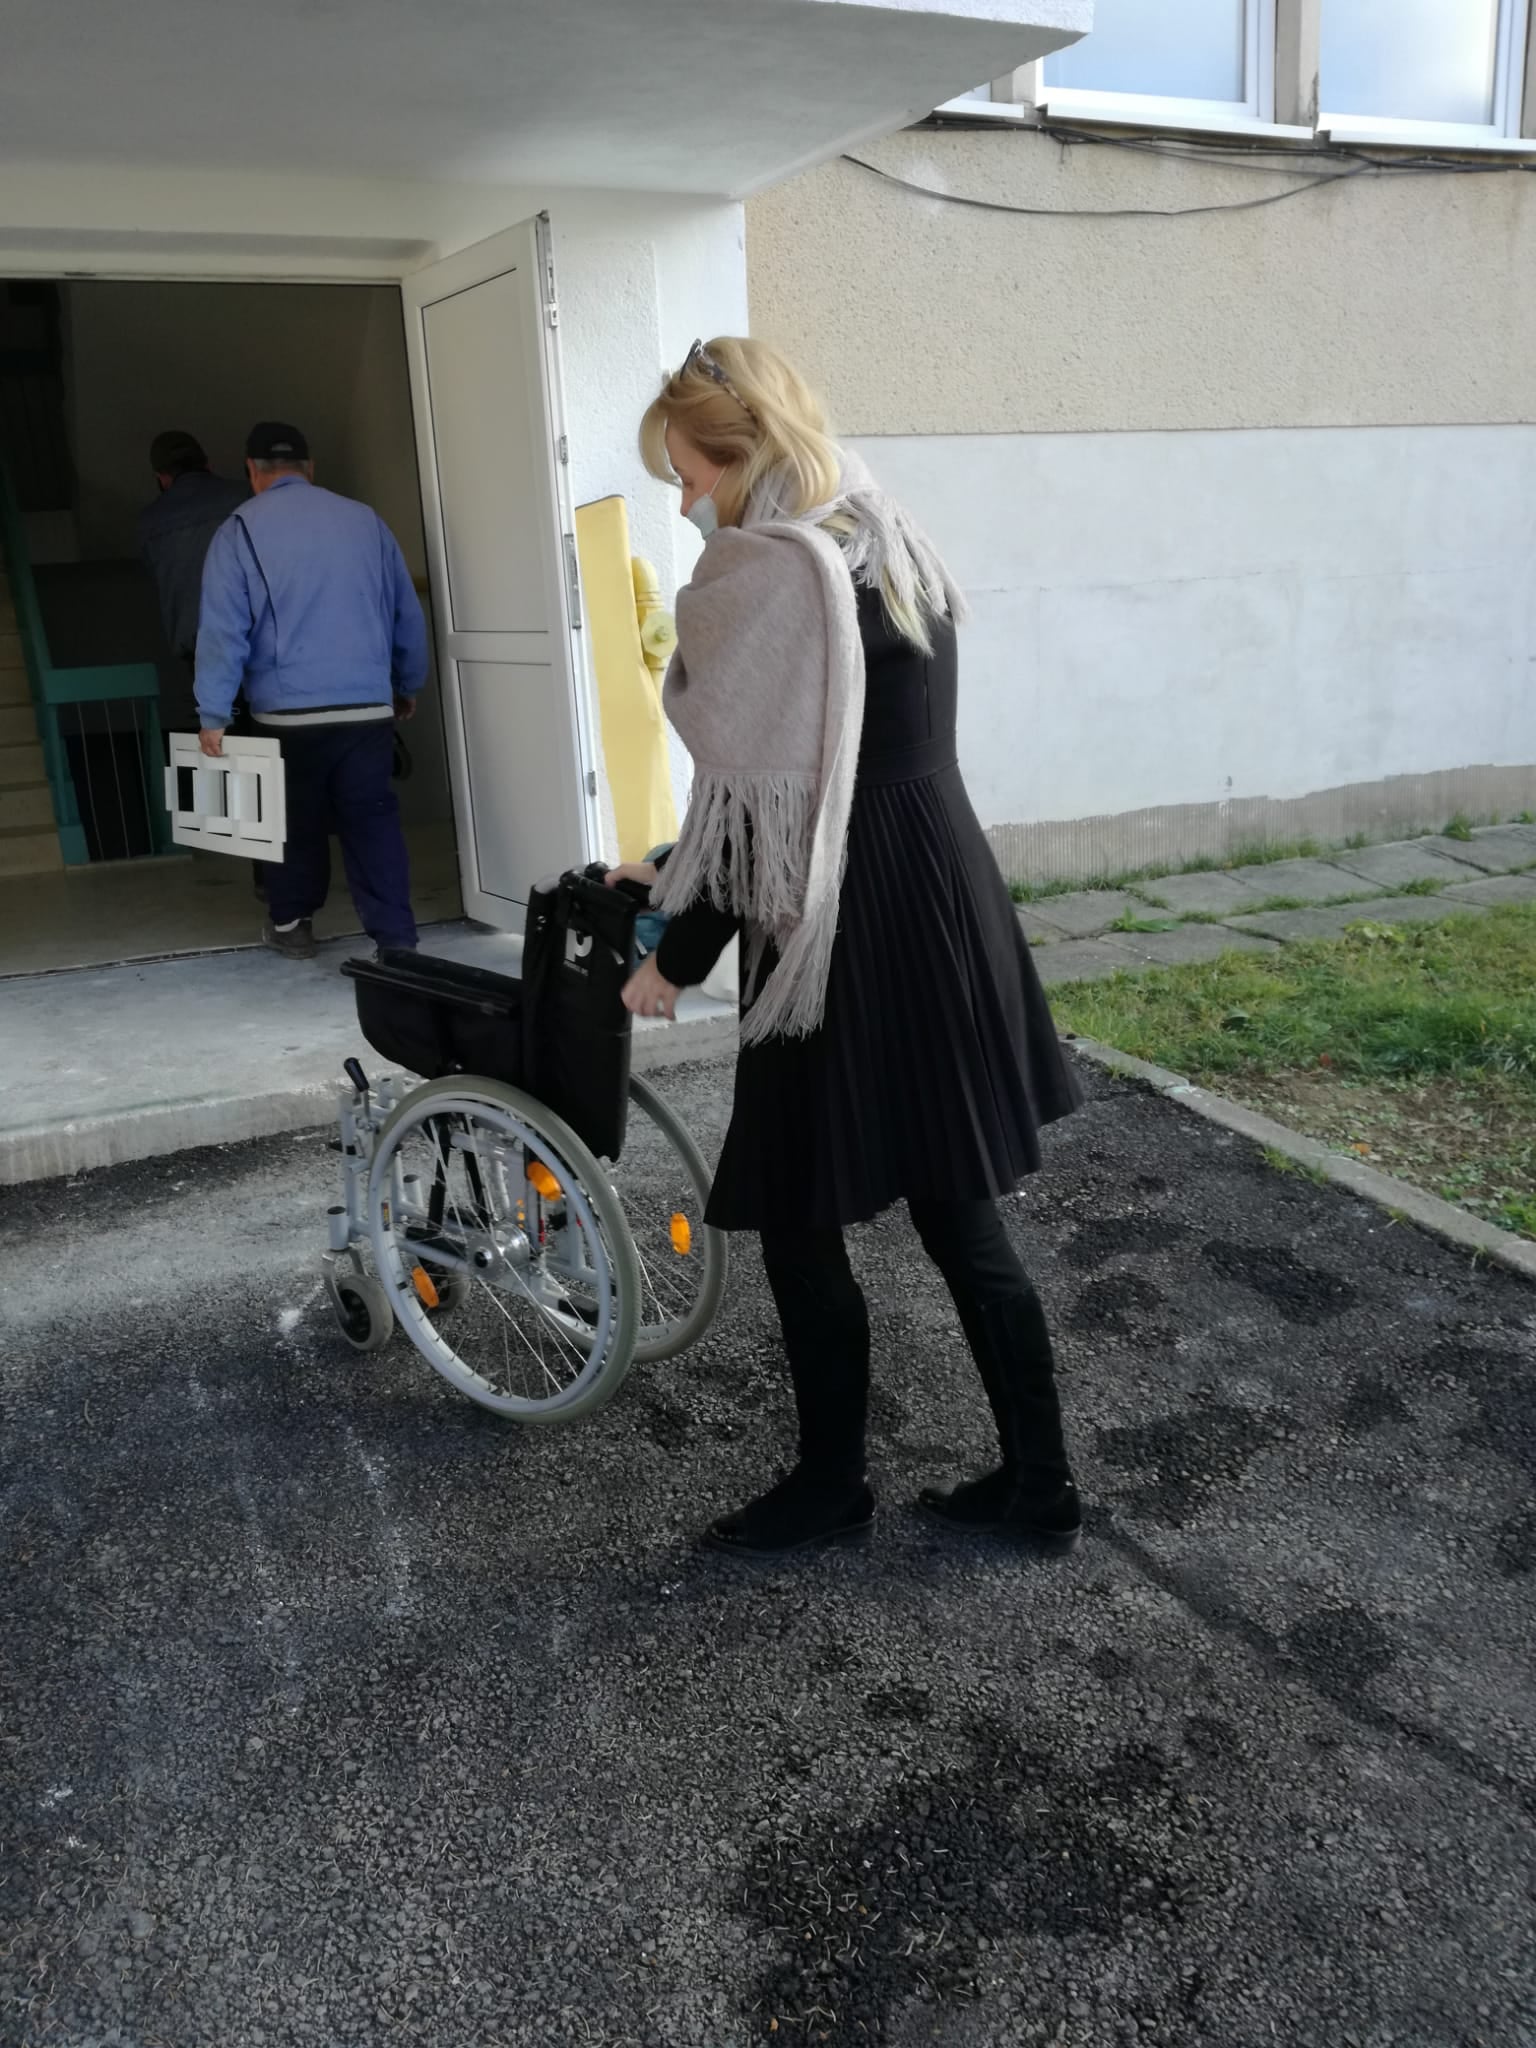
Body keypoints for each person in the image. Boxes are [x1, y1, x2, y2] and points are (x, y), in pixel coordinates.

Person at [608, 338, 1084, 1561]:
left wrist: (671, 956)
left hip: (837, 921)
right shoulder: (882, 530)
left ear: (744, 455)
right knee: (960, 1216)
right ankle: (1040, 1482)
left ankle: (830, 1487)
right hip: (938, 895)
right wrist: (675, 861)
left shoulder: (769, 575)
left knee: (796, 1207)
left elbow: (767, 809)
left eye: (689, 474)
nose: (684, 501)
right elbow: (814, 773)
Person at [194, 422, 428, 961]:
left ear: (252, 472)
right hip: (366, 708)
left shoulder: (239, 530)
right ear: (310, 468)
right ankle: (396, 938)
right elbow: (404, 612)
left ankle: (293, 924)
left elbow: (223, 631)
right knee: (372, 818)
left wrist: (214, 713)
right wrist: (405, 683)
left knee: (292, 820)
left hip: (286, 714)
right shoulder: (366, 521)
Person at [138, 430, 250, 722]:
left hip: (202, 648)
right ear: (207, 464)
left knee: (225, 736)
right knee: (274, 733)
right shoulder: (247, 496)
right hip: (258, 636)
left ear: (161, 477)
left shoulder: (150, 521)